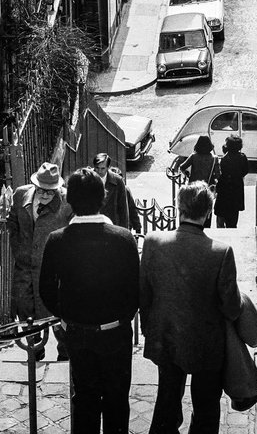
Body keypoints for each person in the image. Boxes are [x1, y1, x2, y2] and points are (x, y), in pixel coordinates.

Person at [39, 166, 140, 434]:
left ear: (70, 201)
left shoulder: (57, 240)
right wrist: (121, 318)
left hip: (78, 333)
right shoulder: (124, 239)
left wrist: (67, 316)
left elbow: (46, 290)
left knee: (84, 399)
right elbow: (135, 290)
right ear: (103, 197)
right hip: (116, 331)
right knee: (117, 399)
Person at [140, 181, 243, 434]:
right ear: (208, 213)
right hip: (206, 344)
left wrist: (149, 329)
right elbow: (231, 308)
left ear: (178, 207)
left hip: (165, 338)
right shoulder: (222, 252)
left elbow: (143, 295)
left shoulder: (152, 242)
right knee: (206, 407)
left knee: (166, 399)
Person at [7, 161, 71, 361]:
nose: (45, 195)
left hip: (52, 268)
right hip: (25, 266)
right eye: (41, 190)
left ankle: (65, 352)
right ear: (34, 185)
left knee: (56, 311)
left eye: (50, 192)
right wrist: (19, 249)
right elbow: (12, 223)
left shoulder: (67, 202)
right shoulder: (20, 194)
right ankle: (34, 349)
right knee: (26, 309)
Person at [181, 135, 220, 227]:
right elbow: (218, 175)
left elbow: (182, 167)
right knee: (207, 209)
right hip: (208, 188)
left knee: (194, 209)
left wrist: (187, 174)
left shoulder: (193, 156)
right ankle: (206, 227)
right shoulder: (214, 158)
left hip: (194, 188)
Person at [214, 134, 249, 229]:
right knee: (233, 219)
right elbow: (245, 170)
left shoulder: (225, 159)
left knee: (221, 216)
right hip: (236, 189)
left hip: (224, 189)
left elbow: (222, 172)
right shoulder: (242, 157)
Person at [93, 152, 129, 228]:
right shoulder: (87, 179)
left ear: (108, 167)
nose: (99, 171)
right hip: (93, 226)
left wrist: (124, 231)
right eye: (97, 168)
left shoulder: (117, 181)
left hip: (112, 226)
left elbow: (123, 209)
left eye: (102, 168)